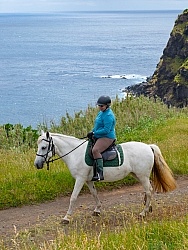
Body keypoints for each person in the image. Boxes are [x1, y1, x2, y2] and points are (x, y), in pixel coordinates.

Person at [87, 95, 116, 181]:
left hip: (107, 137)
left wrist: (94, 133)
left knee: (95, 150)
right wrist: (92, 132)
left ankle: (100, 174)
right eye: (99, 105)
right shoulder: (101, 113)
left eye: (101, 106)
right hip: (99, 135)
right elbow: (97, 126)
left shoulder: (108, 116)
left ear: (107, 105)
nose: (99, 107)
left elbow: (106, 130)